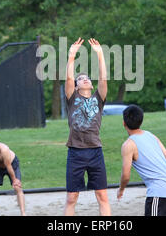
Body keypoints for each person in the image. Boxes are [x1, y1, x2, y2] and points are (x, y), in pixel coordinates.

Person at [63, 37, 111, 216]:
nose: (85, 80)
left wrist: (100, 55)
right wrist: (71, 56)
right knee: (71, 198)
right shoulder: (72, 99)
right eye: (80, 79)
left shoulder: (98, 99)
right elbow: (68, 78)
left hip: (95, 151)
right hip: (75, 152)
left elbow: (103, 79)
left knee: (102, 195)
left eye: (87, 78)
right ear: (76, 87)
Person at [117, 105, 166, 216]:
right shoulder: (150, 135)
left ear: (124, 123)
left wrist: (121, 189)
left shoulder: (128, 145)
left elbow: (126, 176)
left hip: (159, 193)